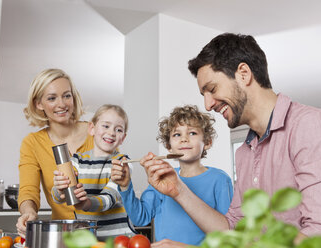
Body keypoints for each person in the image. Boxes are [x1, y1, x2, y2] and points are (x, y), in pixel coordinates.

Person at [139, 33, 321, 247]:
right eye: (203, 95)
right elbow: (233, 229)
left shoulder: (311, 125)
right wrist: (178, 190)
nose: (208, 105)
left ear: (243, 74)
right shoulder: (245, 152)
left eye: (212, 89)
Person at [111, 105, 233, 245]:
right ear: (169, 146)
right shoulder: (163, 176)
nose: (184, 139)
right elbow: (140, 218)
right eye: (177, 134)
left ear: (207, 142)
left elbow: (228, 235)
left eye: (192, 133)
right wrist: (126, 186)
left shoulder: (220, 180)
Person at [16, 68, 94, 237]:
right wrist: (28, 212)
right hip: (64, 234)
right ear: (39, 103)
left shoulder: (96, 132)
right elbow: (28, 191)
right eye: (52, 98)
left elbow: (116, 186)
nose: (62, 104)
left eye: (67, 95)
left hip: (104, 229)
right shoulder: (33, 143)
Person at [52, 104, 136, 240]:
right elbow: (57, 198)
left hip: (120, 239)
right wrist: (60, 190)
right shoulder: (77, 161)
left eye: (118, 130)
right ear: (92, 128)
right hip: (89, 239)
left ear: (123, 138)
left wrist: (86, 204)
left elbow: (110, 198)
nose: (111, 132)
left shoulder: (122, 163)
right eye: (106, 126)